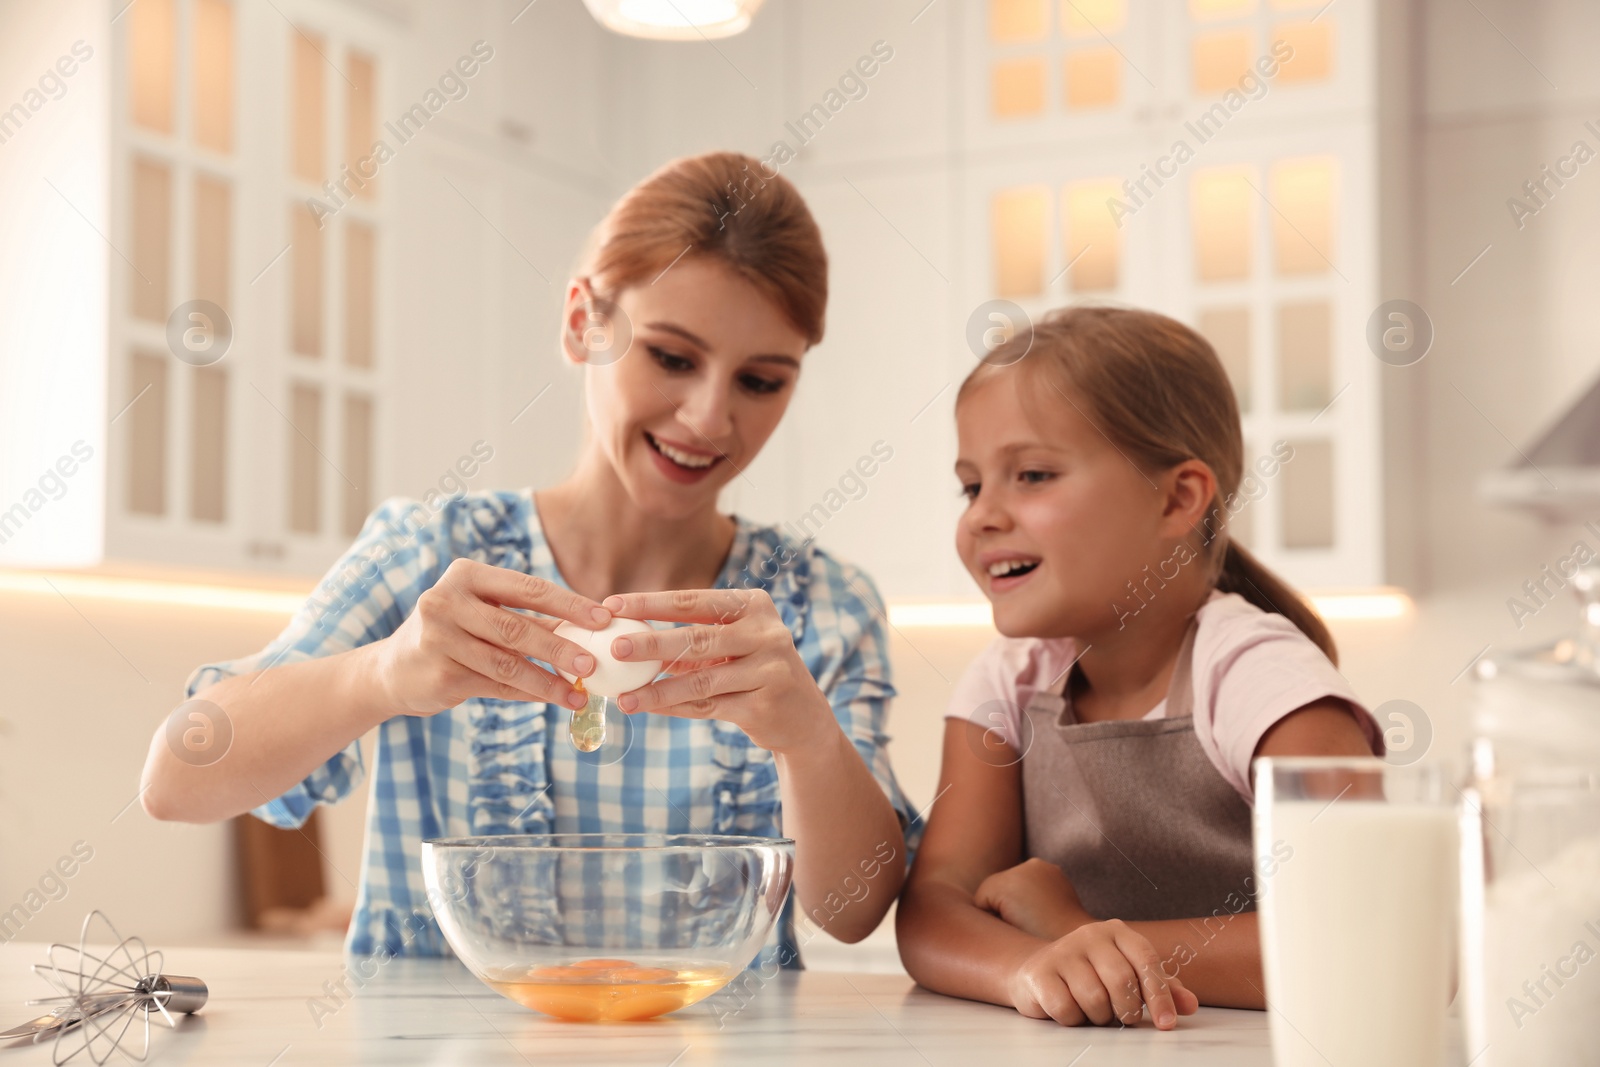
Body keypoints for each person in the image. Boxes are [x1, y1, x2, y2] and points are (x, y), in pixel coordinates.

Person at [140, 151, 920, 964]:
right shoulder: (430, 556)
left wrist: (810, 740)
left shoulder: (820, 604)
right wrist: (380, 674)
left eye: (760, 381)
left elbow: (853, 911)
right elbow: (175, 780)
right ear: (584, 321)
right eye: (673, 357)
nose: (708, 417)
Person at [896, 306, 1383, 1028]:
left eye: (1031, 474)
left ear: (1178, 497)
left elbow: (1368, 939)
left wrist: (1072, 930)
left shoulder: (1260, 677)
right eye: (972, 486)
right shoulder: (1007, 683)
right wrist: (1026, 966)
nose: (982, 517)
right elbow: (933, 908)